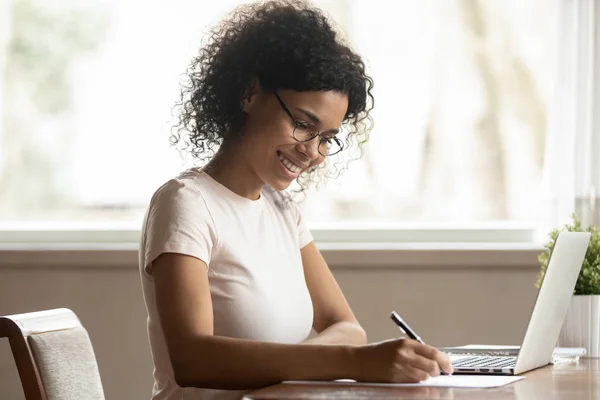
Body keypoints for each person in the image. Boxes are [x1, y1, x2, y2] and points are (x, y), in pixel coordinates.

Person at [139, 1, 452, 399]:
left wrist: (307, 365)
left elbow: (347, 326)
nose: (313, 152)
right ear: (250, 93)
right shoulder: (186, 204)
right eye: (303, 125)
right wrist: (351, 362)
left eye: (326, 138)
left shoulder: (281, 210)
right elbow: (194, 360)